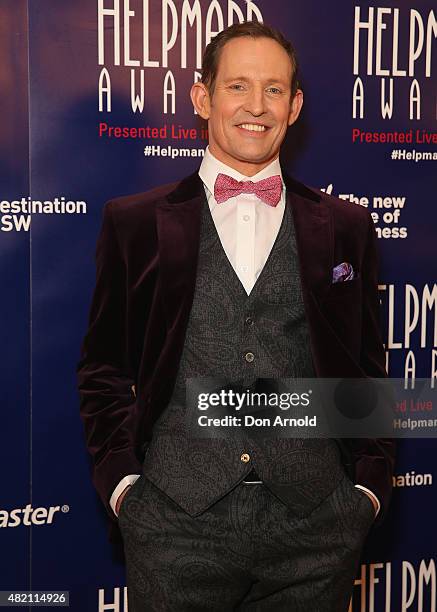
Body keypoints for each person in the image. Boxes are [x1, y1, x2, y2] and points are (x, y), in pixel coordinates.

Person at [77, 21, 395, 611]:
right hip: (173, 527)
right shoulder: (135, 223)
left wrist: (367, 491)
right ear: (202, 97)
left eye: (274, 89)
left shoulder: (346, 226)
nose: (256, 106)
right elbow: (102, 368)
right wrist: (124, 487)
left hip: (315, 529)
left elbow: (367, 368)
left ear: (295, 106)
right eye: (238, 86)